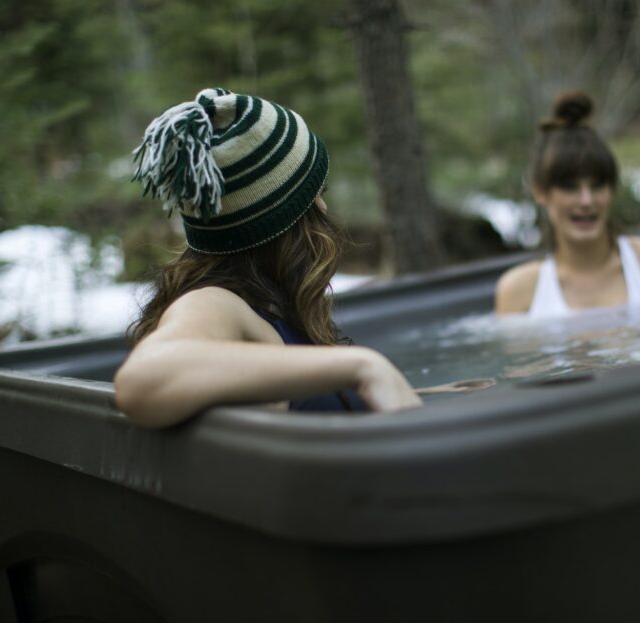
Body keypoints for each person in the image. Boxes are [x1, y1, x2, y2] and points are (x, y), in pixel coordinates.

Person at [114, 87, 422, 427]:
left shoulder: (266, 309)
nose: (324, 207)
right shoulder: (215, 302)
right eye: (317, 194)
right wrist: (364, 367)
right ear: (281, 218)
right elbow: (143, 379)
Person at [495, 92, 640, 317]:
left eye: (598, 185)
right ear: (541, 192)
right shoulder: (518, 292)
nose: (587, 201)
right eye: (570, 187)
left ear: (612, 189)